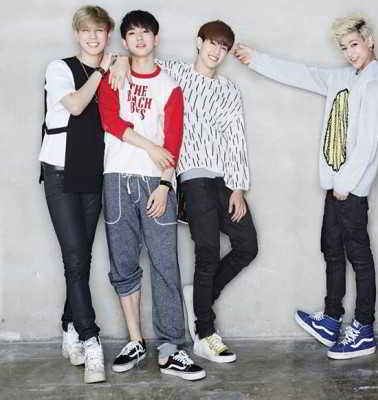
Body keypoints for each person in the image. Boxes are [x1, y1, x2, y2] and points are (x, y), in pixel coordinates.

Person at [233, 15, 378, 360]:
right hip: (335, 187)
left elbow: (368, 142)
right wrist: (254, 59)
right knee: (331, 249)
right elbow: (300, 73)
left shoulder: (376, 84)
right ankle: (331, 319)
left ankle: (363, 329)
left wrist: (345, 184)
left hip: (351, 189)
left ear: (370, 41)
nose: (350, 53)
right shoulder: (343, 78)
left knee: (359, 258)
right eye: (344, 48)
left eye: (355, 45)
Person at [97, 9, 205, 380]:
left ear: (156, 39)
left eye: (146, 32)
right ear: (124, 40)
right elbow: (111, 121)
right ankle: (135, 340)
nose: (140, 38)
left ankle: (171, 347)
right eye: (132, 33)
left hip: (155, 183)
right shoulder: (113, 75)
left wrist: (164, 184)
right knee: (123, 263)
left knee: (165, 265)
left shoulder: (169, 85)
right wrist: (149, 146)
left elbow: (173, 139)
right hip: (116, 180)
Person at [39, 5, 115, 384]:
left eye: (99, 30)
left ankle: (69, 325)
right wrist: (102, 71)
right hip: (60, 172)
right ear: (77, 34)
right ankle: (90, 339)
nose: (93, 37)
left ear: (107, 34)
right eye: (86, 31)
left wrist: (116, 69)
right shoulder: (60, 68)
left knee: (81, 258)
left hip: (94, 173)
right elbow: (76, 104)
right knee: (74, 257)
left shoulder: (114, 72)